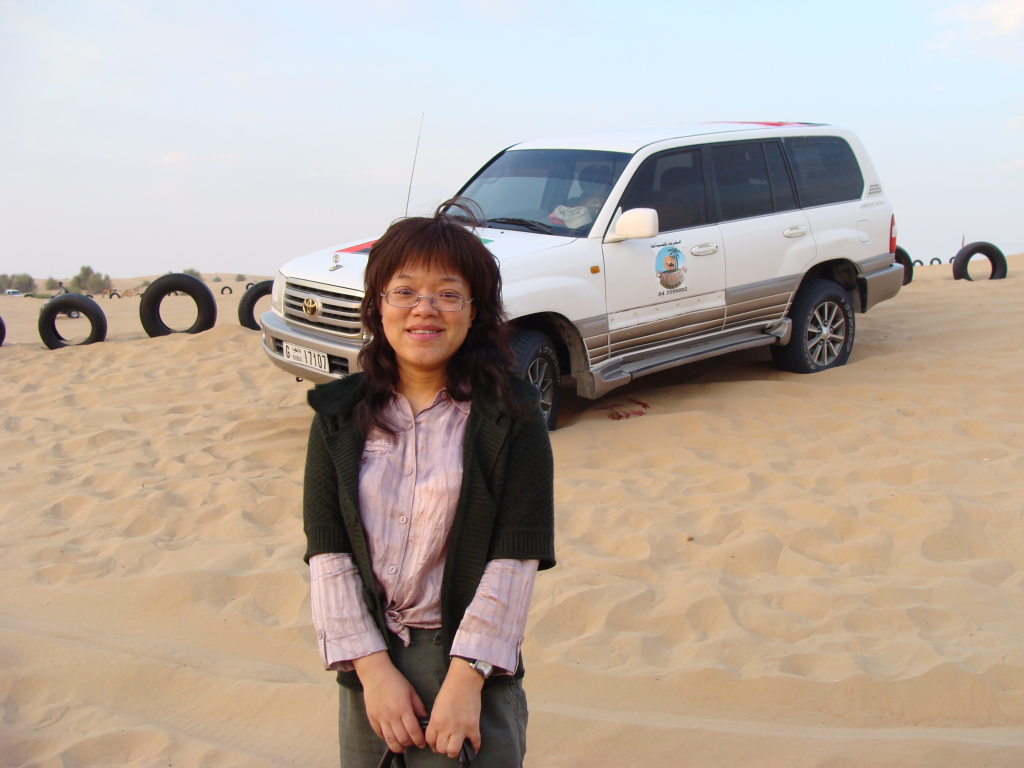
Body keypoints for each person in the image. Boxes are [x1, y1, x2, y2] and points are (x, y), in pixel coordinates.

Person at [302, 199, 556, 767]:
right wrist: (373, 672)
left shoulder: (513, 415)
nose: (425, 309)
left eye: (447, 293)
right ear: (378, 304)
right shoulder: (337, 415)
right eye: (405, 291)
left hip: (472, 666)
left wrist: (466, 679)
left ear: (474, 311)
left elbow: (516, 558)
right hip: (371, 669)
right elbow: (328, 552)